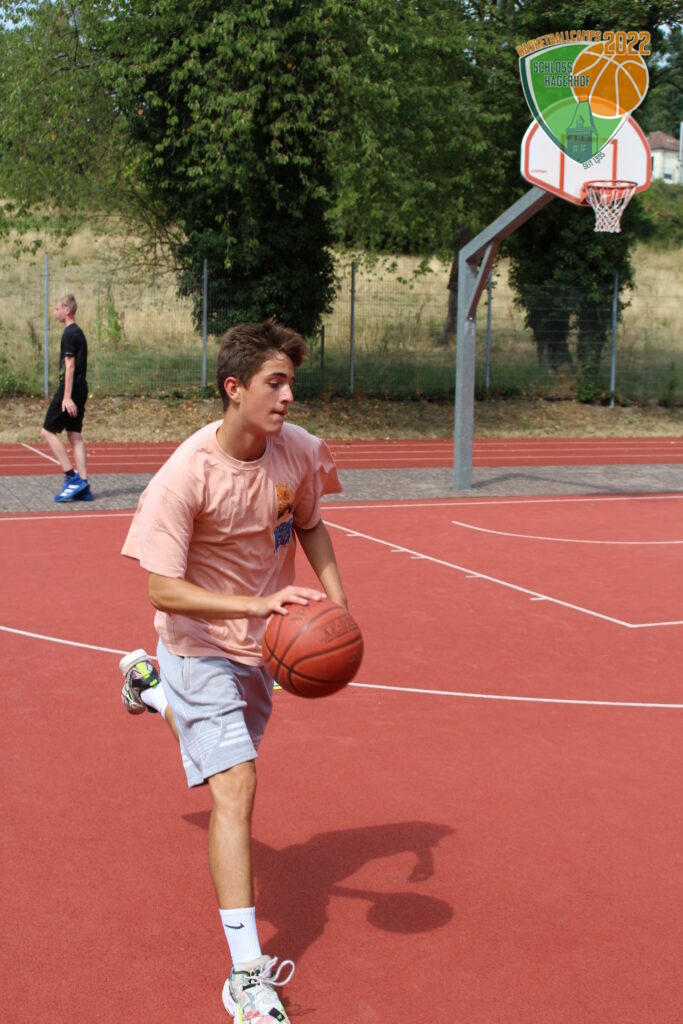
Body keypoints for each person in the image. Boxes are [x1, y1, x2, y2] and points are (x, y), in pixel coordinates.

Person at [119, 318, 348, 1024]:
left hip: (263, 648)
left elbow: (309, 522)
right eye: (274, 383)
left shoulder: (298, 450)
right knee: (236, 786)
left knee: (227, 762)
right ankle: (247, 975)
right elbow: (161, 589)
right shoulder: (185, 475)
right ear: (234, 388)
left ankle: (149, 690)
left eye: (291, 383)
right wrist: (256, 603)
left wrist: (338, 607)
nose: (287, 396)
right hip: (197, 644)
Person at [41, 293, 93, 502]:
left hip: (70, 389)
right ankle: (84, 484)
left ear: (67, 310)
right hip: (81, 388)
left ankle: (71, 477)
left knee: (47, 431)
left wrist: (67, 397)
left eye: (57, 309)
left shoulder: (69, 334)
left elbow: (70, 366)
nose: (54, 312)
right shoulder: (77, 332)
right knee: (74, 434)